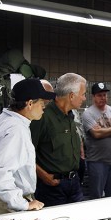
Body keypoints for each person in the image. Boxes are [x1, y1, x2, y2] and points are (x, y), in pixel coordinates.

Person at [0, 78, 54, 214]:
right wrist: (22, 204)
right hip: (9, 204)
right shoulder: (16, 129)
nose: (44, 107)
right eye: (42, 103)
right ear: (30, 103)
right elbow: (1, 174)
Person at [30, 73, 87, 207]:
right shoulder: (42, 116)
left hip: (74, 183)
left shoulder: (71, 116)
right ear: (71, 95)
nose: (84, 98)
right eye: (83, 94)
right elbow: (25, 153)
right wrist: (44, 176)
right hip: (52, 187)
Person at [82, 83, 111, 199]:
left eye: (105, 95)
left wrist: (104, 131)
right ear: (93, 97)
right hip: (97, 161)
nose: (103, 97)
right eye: (99, 95)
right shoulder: (88, 113)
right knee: (96, 197)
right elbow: (95, 134)